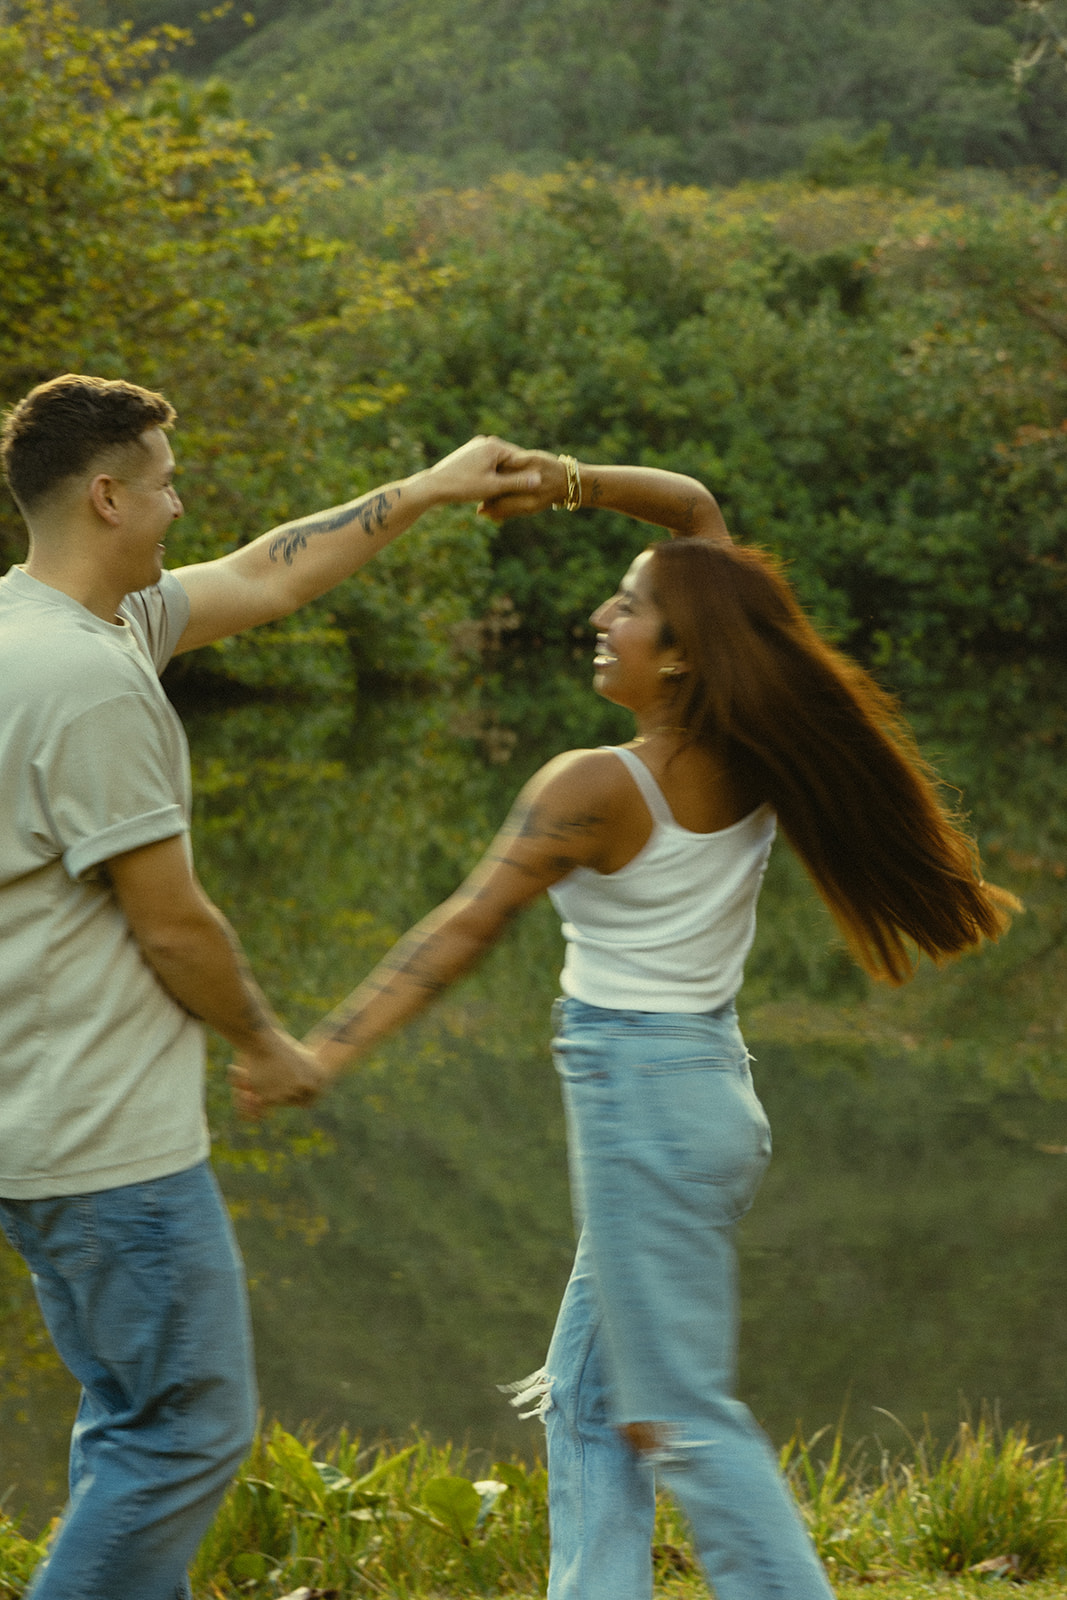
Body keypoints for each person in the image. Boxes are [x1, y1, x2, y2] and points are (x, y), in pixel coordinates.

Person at [273, 448, 1017, 1600]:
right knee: (586, 1396)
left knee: (677, 1413)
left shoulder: (597, 787)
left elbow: (460, 928)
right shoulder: (743, 743)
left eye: (626, 604)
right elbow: (692, 510)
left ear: (677, 652)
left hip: (642, 1105)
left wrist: (322, 1049)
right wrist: (561, 477)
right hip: (708, 1096)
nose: (599, 613)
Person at [0, 372, 541, 1600]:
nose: (181, 505)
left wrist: (432, 486)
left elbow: (270, 574)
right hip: (106, 1149)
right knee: (186, 1430)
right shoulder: (85, 682)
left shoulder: (47, 630)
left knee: (130, 1423)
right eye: (164, 482)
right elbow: (174, 923)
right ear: (106, 496)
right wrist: (265, 1041)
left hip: (39, 1130)